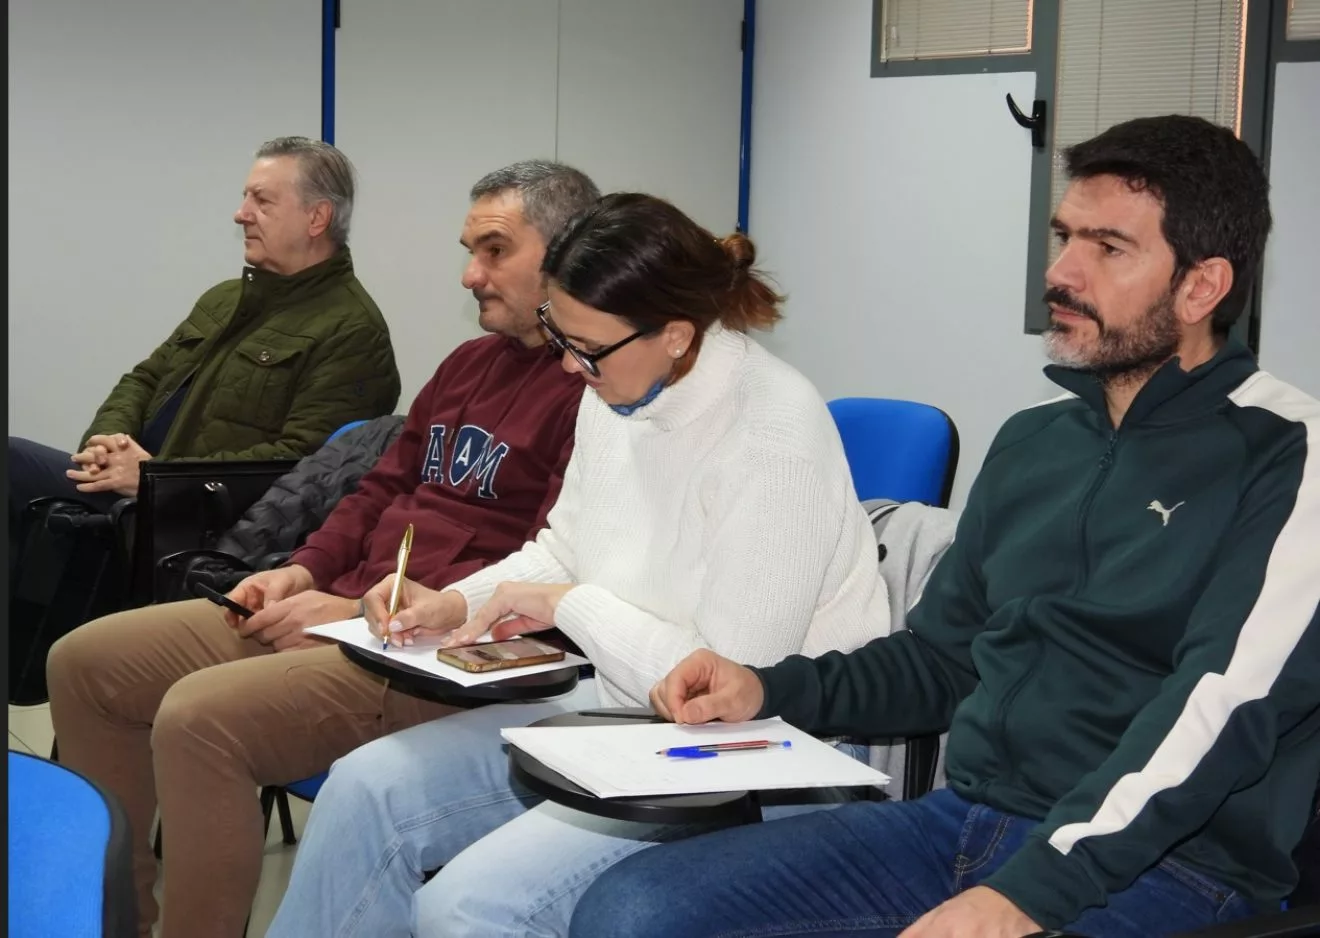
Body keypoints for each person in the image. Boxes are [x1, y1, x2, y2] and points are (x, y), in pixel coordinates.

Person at [568, 115, 1320, 938]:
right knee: (630, 912)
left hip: (1165, 870)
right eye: (1064, 237)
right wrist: (767, 689)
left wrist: (1029, 895)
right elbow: (942, 660)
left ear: (1202, 287)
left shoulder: (1288, 456)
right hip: (964, 822)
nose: (1060, 273)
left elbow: (1219, 714)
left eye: (1108, 248)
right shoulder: (1036, 441)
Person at [263, 192, 893, 938]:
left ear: (676, 335)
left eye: (585, 347)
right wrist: (456, 603)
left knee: (467, 909)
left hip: (756, 750)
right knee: (365, 789)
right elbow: (566, 547)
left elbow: (723, 682)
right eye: (560, 334)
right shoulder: (618, 384)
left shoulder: (772, 435)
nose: (568, 364)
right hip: (625, 707)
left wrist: (569, 604)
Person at [44, 159, 600, 938]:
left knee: (198, 720)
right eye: (469, 250)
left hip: (434, 656)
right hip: (345, 614)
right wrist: (298, 572)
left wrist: (349, 616)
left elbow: (543, 568)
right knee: (85, 663)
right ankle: (117, 923)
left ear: (569, 253)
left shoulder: (594, 394)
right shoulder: (468, 365)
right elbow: (378, 490)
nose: (470, 275)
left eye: (495, 250)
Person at [8, 136, 400, 525]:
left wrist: (157, 478)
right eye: (245, 198)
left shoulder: (354, 331)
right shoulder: (225, 299)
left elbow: (301, 466)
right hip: (138, 495)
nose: (241, 214)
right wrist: (107, 442)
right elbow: (145, 379)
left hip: (195, 524)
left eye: (262, 201)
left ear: (317, 218)